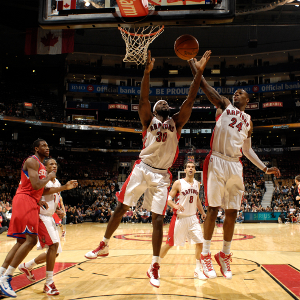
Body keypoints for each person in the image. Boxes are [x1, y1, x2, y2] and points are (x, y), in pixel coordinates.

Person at [85, 50, 211, 288]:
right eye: (159, 103)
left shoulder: (177, 122)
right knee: (121, 207)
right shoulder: (148, 121)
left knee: (157, 219)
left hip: (162, 176)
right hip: (142, 168)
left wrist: (199, 73)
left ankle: (154, 265)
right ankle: (104, 243)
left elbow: (191, 99)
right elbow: (143, 99)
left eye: (165, 102)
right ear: (154, 111)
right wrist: (146, 72)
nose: (163, 102)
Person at [188, 59, 281, 280]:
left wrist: (264, 168)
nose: (236, 94)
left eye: (241, 93)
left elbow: (248, 150)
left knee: (233, 212)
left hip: (235, 164)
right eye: (235, 93)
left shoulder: (249, 121)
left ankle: (225, 254)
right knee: (213, 209)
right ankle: (206, 255)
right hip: (217, 160)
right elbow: (205, 87)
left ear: (248, 101)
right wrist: (195, 68)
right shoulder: (225, 106)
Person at [0, 139, 78, 298]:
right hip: (26, 201)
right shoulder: (32, 161)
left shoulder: (41, 167)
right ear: (36, 148)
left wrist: (63, 188)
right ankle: (7, 278)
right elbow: (36, 186)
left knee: (22, 242)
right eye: (44, 145)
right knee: (32, 241)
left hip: (30, 201)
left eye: (48, 145)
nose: (47, 148)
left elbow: (40, 189)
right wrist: (49, 178)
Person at [18, 158, 66, 296]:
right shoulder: (40, 180)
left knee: (55, 252)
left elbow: (54, 200)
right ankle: (48, 283)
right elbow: (33, 191)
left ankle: (26, 266)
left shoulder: (56, 182)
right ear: (44, 167)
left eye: (56, 164)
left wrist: (58, 210)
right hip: (40, 216)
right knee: (53, 246)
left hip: (50, 217)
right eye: (51, 164)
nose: (54, 166)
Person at [159, 161, 207, 280]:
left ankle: (197, 270)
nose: (190, 169)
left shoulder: (197, 184)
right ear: (185, 170)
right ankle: (154, 265)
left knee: (200, 242)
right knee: (169, 244)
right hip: (179, 218)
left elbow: (197, 200)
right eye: (188, 167)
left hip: (193, 218)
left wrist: (202, 212)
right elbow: (168, 199)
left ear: (195, 170)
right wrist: (174, 206)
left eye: (193, 167)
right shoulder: (178, 183)